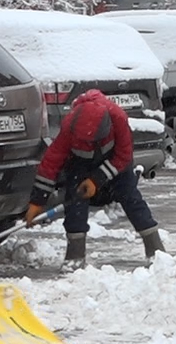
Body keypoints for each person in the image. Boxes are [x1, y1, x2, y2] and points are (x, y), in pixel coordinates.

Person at [26, 89, 163, 269]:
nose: (88, 145)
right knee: (75, 204)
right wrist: (37, 201)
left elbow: (123, 155)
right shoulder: (70, 125)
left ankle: (155, 250)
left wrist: (96, 179)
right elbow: (52, 161)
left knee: (130, 197)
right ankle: (75, 256)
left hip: (116, 161)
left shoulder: (118, 119)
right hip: (80, 164)